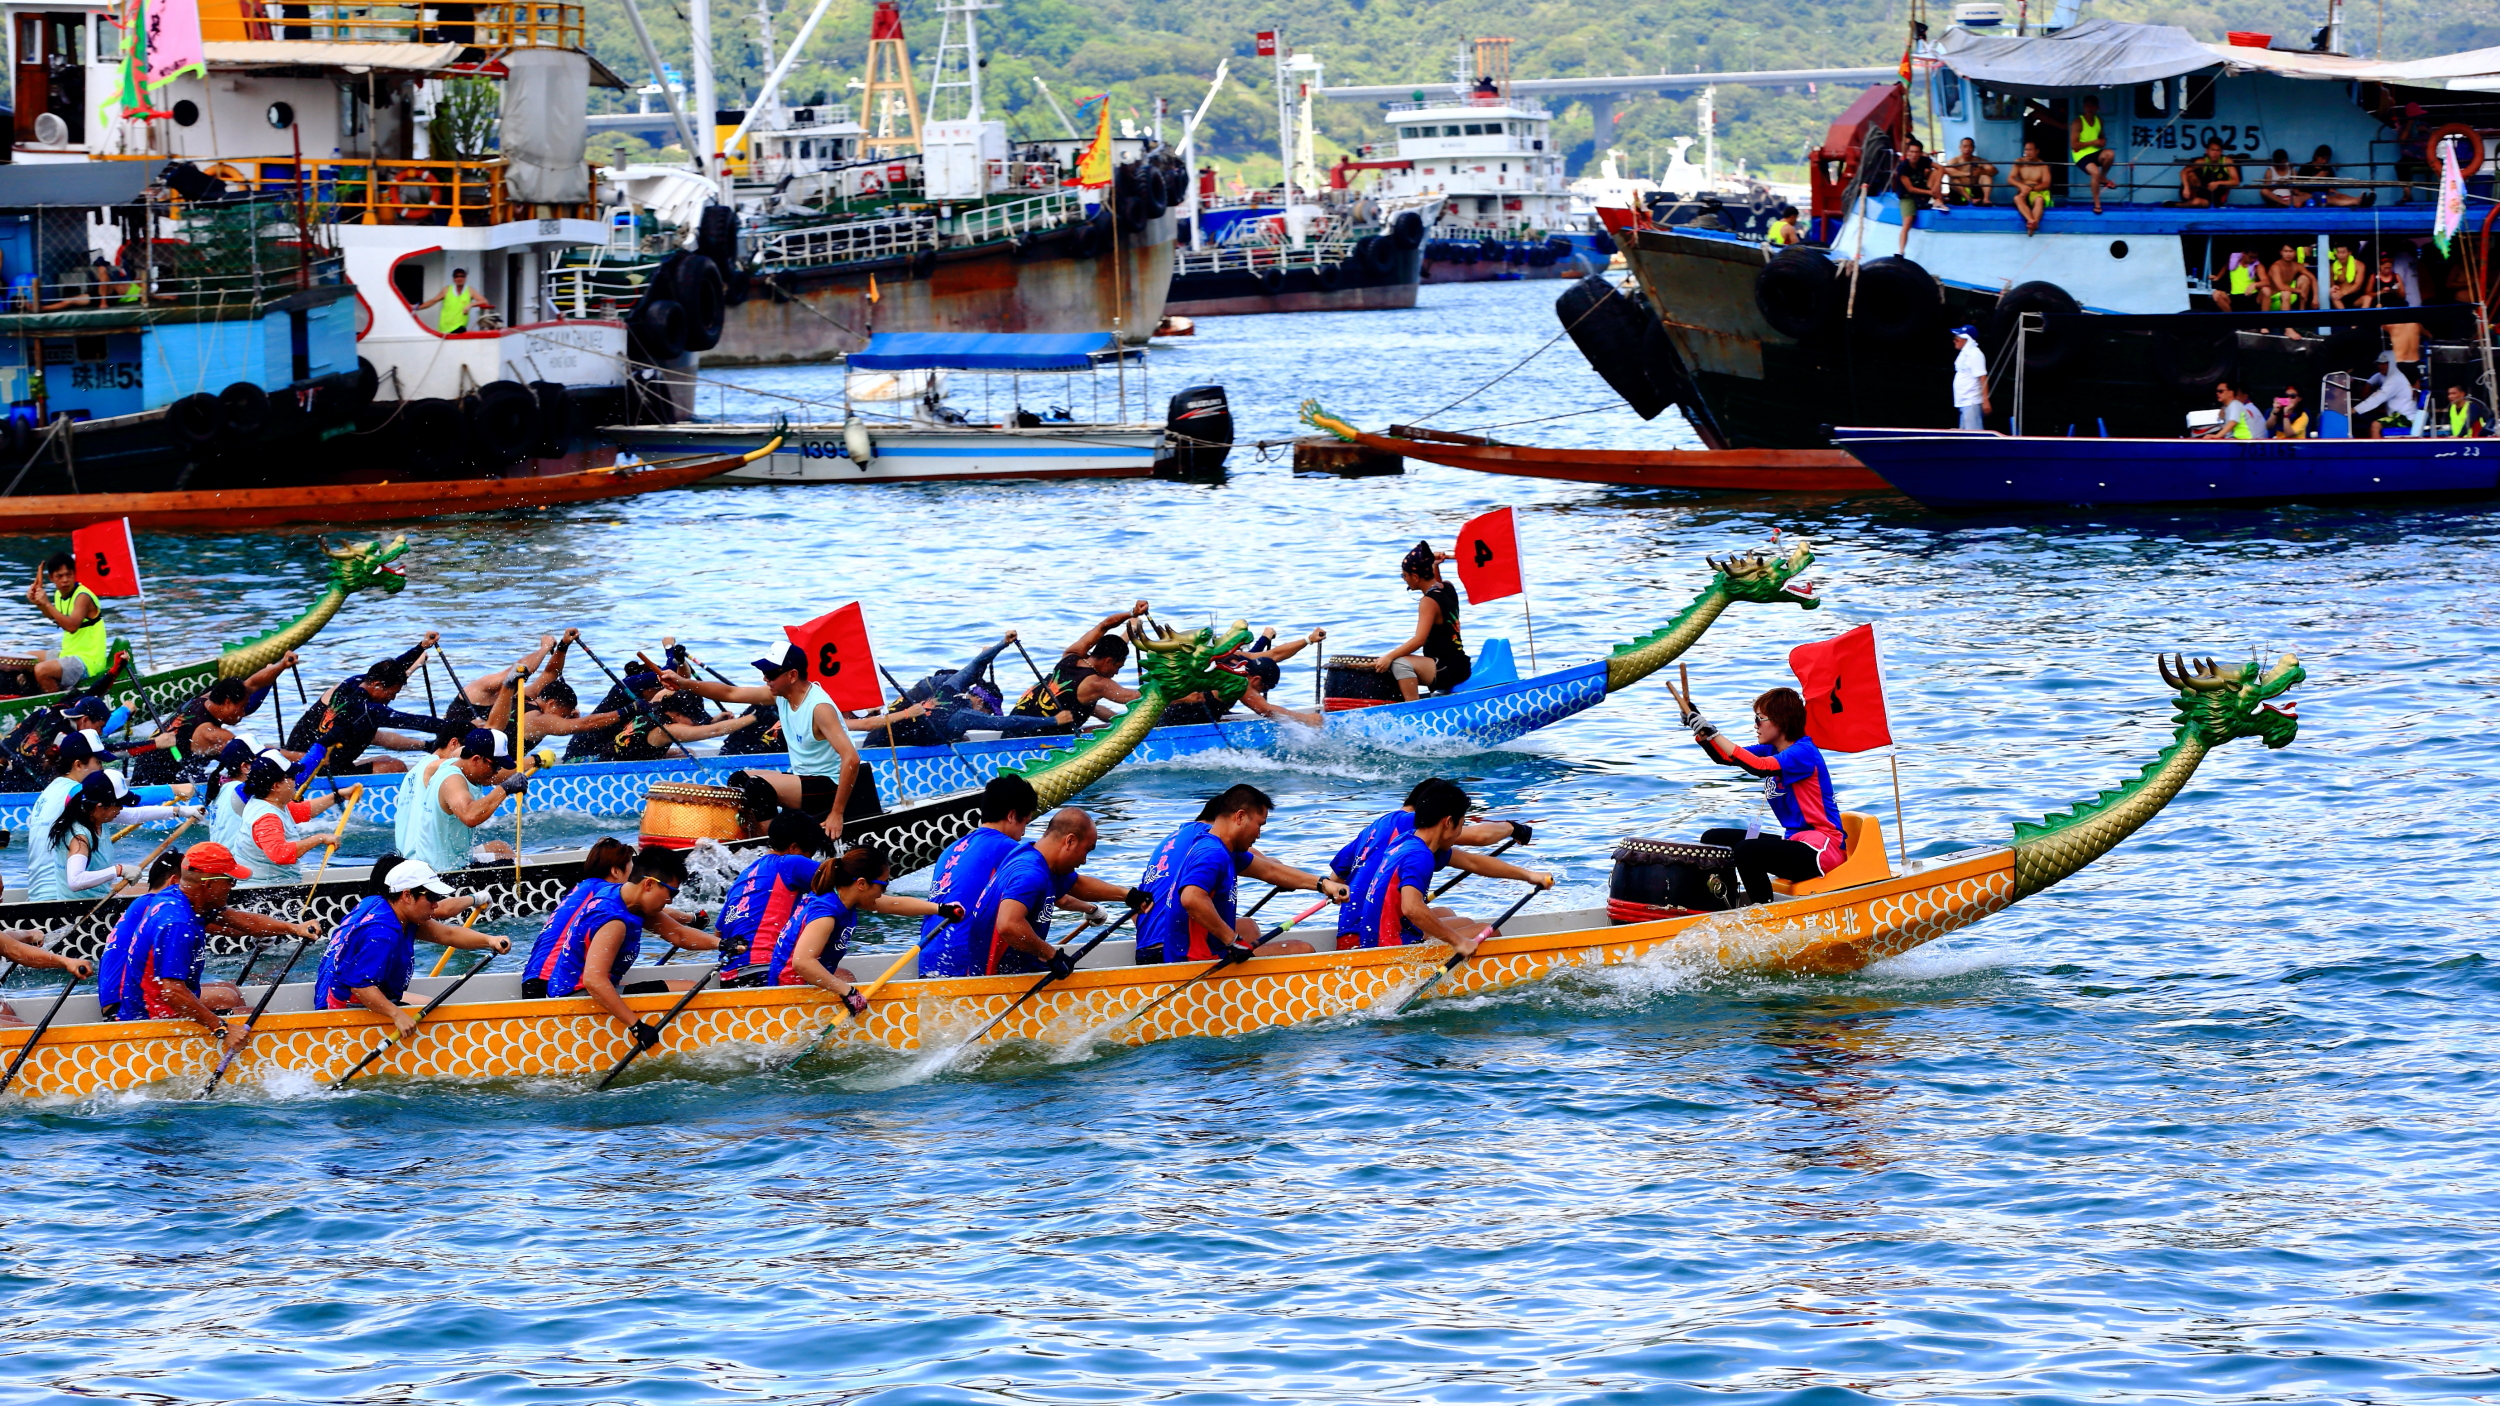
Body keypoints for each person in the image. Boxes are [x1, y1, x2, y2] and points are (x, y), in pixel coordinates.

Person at [96, 843, 322, 1049]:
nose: (232, 887)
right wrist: (222, 1028)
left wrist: (293, 928)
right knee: (257, 1015)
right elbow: (172, 991)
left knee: (237, 1000)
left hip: (149, 1007)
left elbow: (238, 920)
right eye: (230, 881)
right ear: (209, 884)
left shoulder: (176, 895)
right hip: (151, 1022)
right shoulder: (177, 925)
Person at [661, 646, 878, 843]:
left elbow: (852, 758)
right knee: (739, 779)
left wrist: (837, 814)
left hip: (831, 785)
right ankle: (749, 839)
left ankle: (772, 847)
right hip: (805, 778)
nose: (765, 679)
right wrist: (684, 684)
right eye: (764, 673)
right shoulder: (781, 695)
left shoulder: (819, 708)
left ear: (792, 675)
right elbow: (730, 693)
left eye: (771, 674)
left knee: (758, 787)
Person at [1664, 682, 1848, 906]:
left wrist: (1715, 732)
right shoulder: (1773, 748)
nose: (1756, 726)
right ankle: (1720, 902)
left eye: (1759, 719)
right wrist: (1701, 730)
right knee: (1713, 839)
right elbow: (1726, 756)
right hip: (1795, 841)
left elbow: (1758, 767)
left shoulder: (1803, 752)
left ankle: (1764, 913)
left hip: (1820, 850)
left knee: (1748, 851)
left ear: (1781, 721)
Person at [519, 843, 714, 1049]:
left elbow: (674, 930)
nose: (633, 875)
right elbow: (594, 979)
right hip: (554, 986)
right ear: (616, 871)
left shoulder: (590, 889)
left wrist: (714, 940)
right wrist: (636, 1026)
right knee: (687, 988)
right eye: (631, 867)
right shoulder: (607, 898)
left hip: (538, 978)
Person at [1132, 784, 1348, 965]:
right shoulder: (1211, 852)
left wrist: (1323, 884)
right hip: (1190, 961)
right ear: (1240, 817)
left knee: (1248, 926)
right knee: (1302, 949)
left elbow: (1269, 870)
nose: (1259, 834)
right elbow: (1191, 898)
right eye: (1259, 825)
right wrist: (1231, 940)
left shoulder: (1203, 844)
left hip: (1163, 947)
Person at [1335, 780, 1550, 950]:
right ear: (1448, 822)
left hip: (1374, 932)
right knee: (1488, 931)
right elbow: (1411, 908)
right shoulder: (1418, 853)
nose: (1460, 833)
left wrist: (1529, 876)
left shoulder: (1405, 840)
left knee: (1452, 914)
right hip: (1385, 947)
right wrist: (1458, 941)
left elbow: (1472, 861)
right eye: (1462, 824)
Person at [314, 859, 510, 1036]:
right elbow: (360, 986)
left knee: (430, 1006)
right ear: (406, 895)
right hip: (343, 1012)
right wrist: (396, 1015)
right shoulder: (382, 934)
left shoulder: (383, 905)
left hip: (345, 994)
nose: (435, 905)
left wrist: (490, 940)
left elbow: (447, 934)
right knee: (434, 1017)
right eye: (431, 896)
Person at [959, 808, 1151, 977]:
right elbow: (1008, 924)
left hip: (1018, 972)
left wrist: (1128, 895)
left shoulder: (1038, 859)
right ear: (1070, 841)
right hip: (998, 983)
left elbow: (1078, 885)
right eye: (1086, 850)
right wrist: (1050, 955)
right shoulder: (1030, 873)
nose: (1084, 860)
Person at [768, 845, 955, 1010]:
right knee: (846, 981)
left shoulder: (845, 899)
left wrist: (940, 909)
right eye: (883, 886)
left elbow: (893, 904)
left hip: (803, 983)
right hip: (790, 993)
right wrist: (848, 993)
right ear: (862, 884)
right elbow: (802, 963)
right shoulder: (825, 913)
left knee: (846, 976)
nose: (885, 893)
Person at [917, 774, 1042, 979]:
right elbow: (1058, 890)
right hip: (963, 965)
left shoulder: (950, 849)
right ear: (1011, 816)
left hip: (929, 960)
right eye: (1025, 823)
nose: (1023, 833)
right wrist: (1093, 908)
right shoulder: (1008, 848)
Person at [132, 651, 304, 786]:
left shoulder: (206, 699)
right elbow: (258, 752)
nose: (244, 714)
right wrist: (310, 757)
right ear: (228, 702)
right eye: (242, 707)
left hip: (159, 769)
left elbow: (252, 684)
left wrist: (282, 665)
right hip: (153, 784)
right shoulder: (210, 733)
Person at [283, 637, 447, 775]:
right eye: (391, 693)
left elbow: (385, 673)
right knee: (395, 767)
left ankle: (427, 745)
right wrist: (455, 727)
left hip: (331, 762)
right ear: (377, 686)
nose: (392, 698)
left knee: (386, 757)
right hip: (311, 767)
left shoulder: (353, 686)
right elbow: (414, 721)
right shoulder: (364, 709)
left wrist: (419, 649)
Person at [29, 770, 197, 901]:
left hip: (99, 899)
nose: (121, 810)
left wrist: (181, 811)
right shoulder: (80, 837)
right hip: (80, 912)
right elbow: (75, 881)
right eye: (119, 805)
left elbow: (136, 815)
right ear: (100, 807)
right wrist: (119, 870)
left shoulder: (95, 815)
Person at [392, 726, 528, 876]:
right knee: (523, 867)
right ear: (476, 759)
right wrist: (506, 788)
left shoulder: (459, 763)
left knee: (502, 849)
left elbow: (461, 751)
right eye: (495, 765)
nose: (497, 771)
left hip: (451, 865)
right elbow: (470, 815)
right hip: (441, 876)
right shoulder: (452, 779)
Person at [712, 809, 826, 986]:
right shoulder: (790, 863)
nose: (810, 862)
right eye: (809, 856)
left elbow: (718, 933)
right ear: (794, 848)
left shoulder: (744, 876)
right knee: (844, 977)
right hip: (763, 972)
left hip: (729, 977)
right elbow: (849, 886)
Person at [1008, 601, 1153, 732]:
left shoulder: (1070, 656)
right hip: (1038, 742)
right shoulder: (1096, 684)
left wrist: (1132, 616)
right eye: (1118, 667)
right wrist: (1172, 689)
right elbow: (1137, 697)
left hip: (1012, 729)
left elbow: (1104, 626)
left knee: (1109, 720)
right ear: (1108, 661)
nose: (1116, 673)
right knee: (1121, 730)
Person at [234, 756, 355, 882]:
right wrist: (320, 838)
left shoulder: (266, 802)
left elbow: (303, 811)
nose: (295, 781)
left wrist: (338, 795)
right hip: (266, 888)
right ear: (276, 786)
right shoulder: (268, 818)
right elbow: (280, 854)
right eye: (291, 777)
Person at [1375, 540, 1470, 700]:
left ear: (1415, 576)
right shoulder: (1448, 588)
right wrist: (1435, 565)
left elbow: (1419, 640)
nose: (1404, 579)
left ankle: (1414, 710)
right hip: (1459, 664)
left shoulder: (1428, 602)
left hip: (1447, 669)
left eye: (1404, 575)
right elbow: (1437, 584)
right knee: (1399, 662)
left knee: (1399, 663)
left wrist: (1388, 657)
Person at [26, 551, 112, 693]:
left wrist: (47, 604)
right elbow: (56, 618)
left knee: (42, 670)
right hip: (68, 653)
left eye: (69, 574)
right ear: (51, 578)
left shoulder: (83, 596)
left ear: (74, 574)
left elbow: (71, 626)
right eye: (60, 576)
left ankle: (59, 706)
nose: (65, 580)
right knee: (27, 659)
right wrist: (38, 602)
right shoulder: (59, 594)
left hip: (88, 661)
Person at [2045, 94, 2115, 213]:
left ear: (2097, 107)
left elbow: (2102, 137)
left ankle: (2103, 177)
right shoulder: (2078, 122)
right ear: (2083, 107)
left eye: (2092, 106)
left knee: (2110, 154)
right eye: (2087, 106)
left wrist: (2102, 142)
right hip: (2081, 154)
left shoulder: (2099, 121)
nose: (2090, 108)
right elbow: (2074, 144)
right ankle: (2097, 203)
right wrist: (2094, 142)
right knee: (2095, 172)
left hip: (2095, 152)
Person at [2352, 352, 2421, 437]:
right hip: (2395, 415)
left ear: (2391, 363)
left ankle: (2379, 450)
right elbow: (2373, 380)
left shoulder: (2395, 379)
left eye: (2384, 363)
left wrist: (2356, 409)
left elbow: (2378, 398)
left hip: (2404, 417)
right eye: (2379, 363)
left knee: (2375, 426)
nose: (2381, 366)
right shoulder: (2384, 376)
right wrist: (2369, 383)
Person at [1893, 136, 1942, 246]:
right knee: (1908, 222)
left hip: (1923, 190)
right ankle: (1900, 250)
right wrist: (1930, 193)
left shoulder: (1923, 161)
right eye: (1911, 152)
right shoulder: (1903, 167)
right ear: (1907, 152)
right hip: (1908, 195)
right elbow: (1910, 189)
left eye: (1916, 152)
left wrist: (1937, 184)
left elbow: (1941, 168)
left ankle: (1938, 201)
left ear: (1920, 153)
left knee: (1935, 172)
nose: (1914, 155)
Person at [413, 266, 492, 333]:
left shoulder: (469, 290)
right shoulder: (447, 290)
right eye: (457, 276)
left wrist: (470, 305)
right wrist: (416, 307)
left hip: (460, 327)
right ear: (453, 279)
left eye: (462, 276)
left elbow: (484, 301)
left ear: (465, 278)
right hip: (445, 328)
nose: (459, 278)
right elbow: (433, 301)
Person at [2296, 145, 2367, 208]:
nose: (2324, 161)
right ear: (2316, 156)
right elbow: (2301, 186)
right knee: (2328, 198)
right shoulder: (2306, 167)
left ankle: (2360, 200)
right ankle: (2356, 202)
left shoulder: (2328, 168)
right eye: (2322, 158)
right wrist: (2316, 177)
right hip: (2312, 195)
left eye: (2327, 159)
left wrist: (2332, 189)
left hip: (2326, 193)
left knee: (2341, 196)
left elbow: (2332, 183)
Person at [1950, 325, 1992, 432]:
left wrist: (1985, 401)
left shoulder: (1975, 354)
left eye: (1956, 338)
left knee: (1973, 434)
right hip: (1964, 401)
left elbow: (1982, 377)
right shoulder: (1964, 355)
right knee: (1964, 433)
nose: (1954, 341)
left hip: (1971, 401)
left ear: (1966, 339)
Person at [2195, 380, 2270, 440]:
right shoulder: (2229, 407)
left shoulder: (2235, 404)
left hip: (2244, 442)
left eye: (2221, 391)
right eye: (2217, 391)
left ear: (2231, 393)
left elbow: (2233, 422)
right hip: (2238, 441)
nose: (2217, 393)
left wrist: (2217, 436)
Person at [2009, 141, 2053, 235]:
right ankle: (2032, 221)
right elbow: (2010, 179)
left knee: (2039, 200)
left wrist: (2031, 189)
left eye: (2030, 149)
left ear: (2037, 151)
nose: (2027, 152)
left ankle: (2032, 224)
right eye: (2026, 149)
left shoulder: (2043, 165)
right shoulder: (2019, 162)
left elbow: (2046, 183)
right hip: (2023, 191)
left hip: (2036, 191)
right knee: (2017, 198)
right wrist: (2022, 186)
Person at [2180, 139, 2241, 207]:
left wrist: (2217, 183)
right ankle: (2192, 201)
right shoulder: (2202, 161)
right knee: (2191, 175)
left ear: (2221, 152)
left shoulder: (2226, 161)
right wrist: (2186, 187)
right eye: (2212, 150)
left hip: (2218, 194)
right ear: (2207, 151)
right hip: (2204, 191)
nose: (2215, 153)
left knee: (2197, 202)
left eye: (2217, 150)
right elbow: (2183, 171)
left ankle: (2176, 205)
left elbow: (2236, 181)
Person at [2264, 243, 2317, 314]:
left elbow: (2313, 278)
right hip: (2273, 299)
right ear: (2281, 253)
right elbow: (2281, 287)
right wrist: (2298, 291)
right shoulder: (2276, 266)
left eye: (2291, 251)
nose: (2288, 254)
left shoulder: (2296, 265)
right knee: (2286, 293)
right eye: (2286, 251)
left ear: (2295, 252)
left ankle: (2302, 312)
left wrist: (2315, 298)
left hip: (2289, 294)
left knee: (2304, 278)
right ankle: (2287, 324)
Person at [1942, 137, 1996, 206]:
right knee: (1953, 180)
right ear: (1960, 148)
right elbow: (1947, 170)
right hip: (1959, 192)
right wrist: (1967, 174)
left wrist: (1982, 171)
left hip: (1975, 190)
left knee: (1986, 176)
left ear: (1973, 148)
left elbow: (1993, 170)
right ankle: (1970, 199)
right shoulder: (1955, 160)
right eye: (1965, 146)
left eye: (1970, 146)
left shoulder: (1979, 160)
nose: (1967, 149)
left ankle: (1986, 199)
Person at [2328, 243, 2371, 308]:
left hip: (2354, 296)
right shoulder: (2332, 267)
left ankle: (2362, 317)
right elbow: (2332, 285)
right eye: (2338, 252)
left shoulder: (2359, 265)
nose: (2340, 255)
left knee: (2368, 298)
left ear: (2349, 252)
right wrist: (2333, 288)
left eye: (2343, 252)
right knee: (2333, 295)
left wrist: (2344, 293)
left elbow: (2358, 285)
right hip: (2339, 297)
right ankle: (2344, 316)